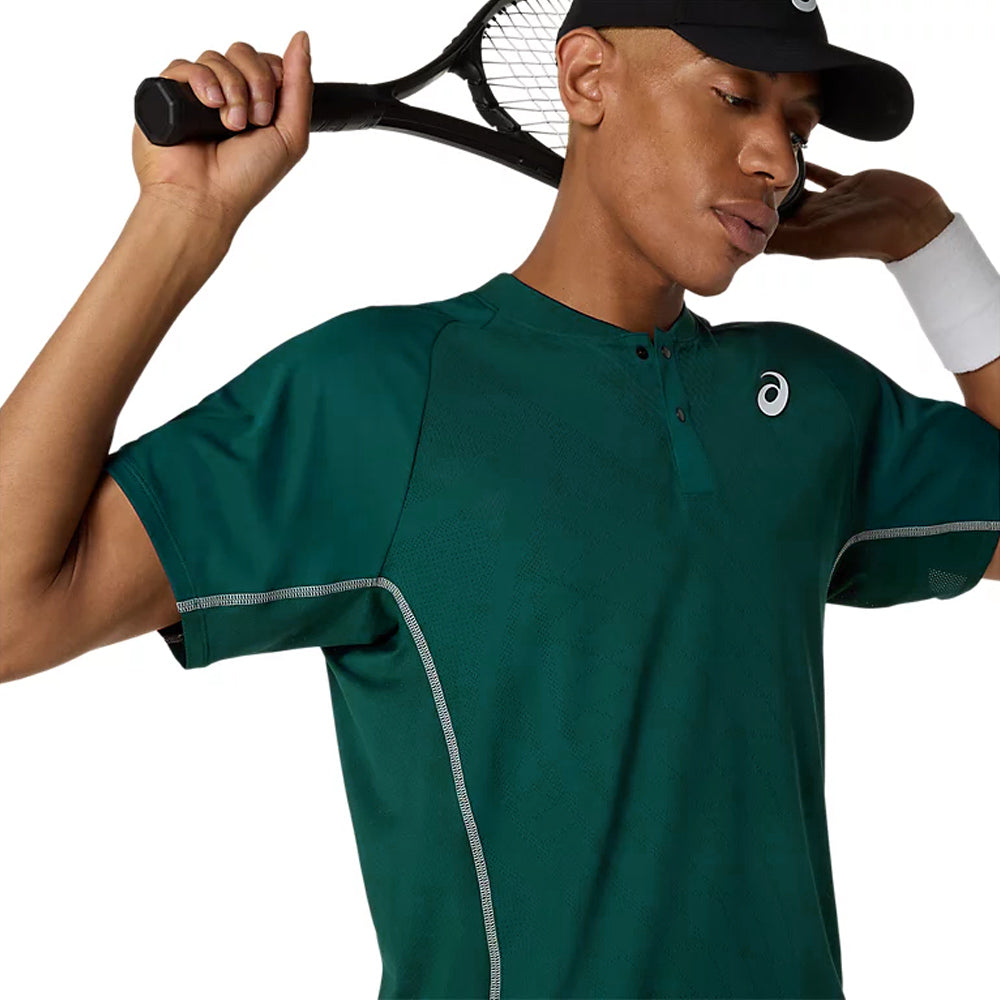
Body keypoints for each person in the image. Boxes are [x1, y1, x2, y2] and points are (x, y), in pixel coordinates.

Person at [1, 2, 998, 998]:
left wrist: (928, 245)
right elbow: (13, 611)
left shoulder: (808, 404)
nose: (777, 161)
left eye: (799, 126)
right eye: (736, 97)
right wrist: (181, 221)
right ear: (587, 78)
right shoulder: (381, 394)